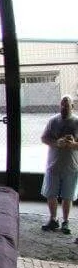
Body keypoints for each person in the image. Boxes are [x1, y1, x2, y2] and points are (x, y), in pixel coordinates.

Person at [41, 95, 78, 234]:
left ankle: (65, 221)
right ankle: (53, 219)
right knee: (51, 194)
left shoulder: (77, 122)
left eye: (67, 105)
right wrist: (57, 143)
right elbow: (44, 138)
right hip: (53, 164)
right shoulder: (53, 121)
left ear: (72, 107)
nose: (64, 107)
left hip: (71, 165)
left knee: (67, 196)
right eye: (62, 105)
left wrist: (73, 144)